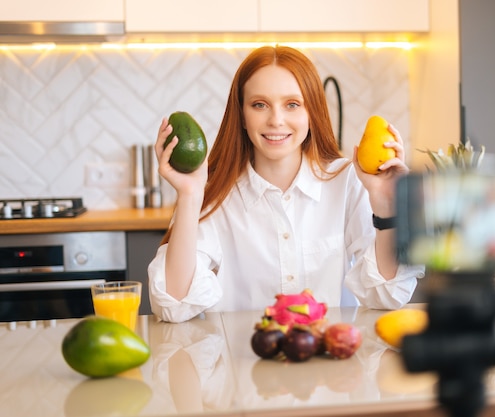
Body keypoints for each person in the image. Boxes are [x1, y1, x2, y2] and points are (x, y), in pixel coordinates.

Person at [148, 45, 423, 323]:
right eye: (259, 104)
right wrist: (190, 194)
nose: (276, 120)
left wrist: (386, 204)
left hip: (330, 361)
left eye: (292, 104)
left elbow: (387, 296)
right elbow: (174, 305)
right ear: (242, 116)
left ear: (311, 113)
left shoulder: (346, 180)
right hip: (242, 362)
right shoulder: (216, 188)